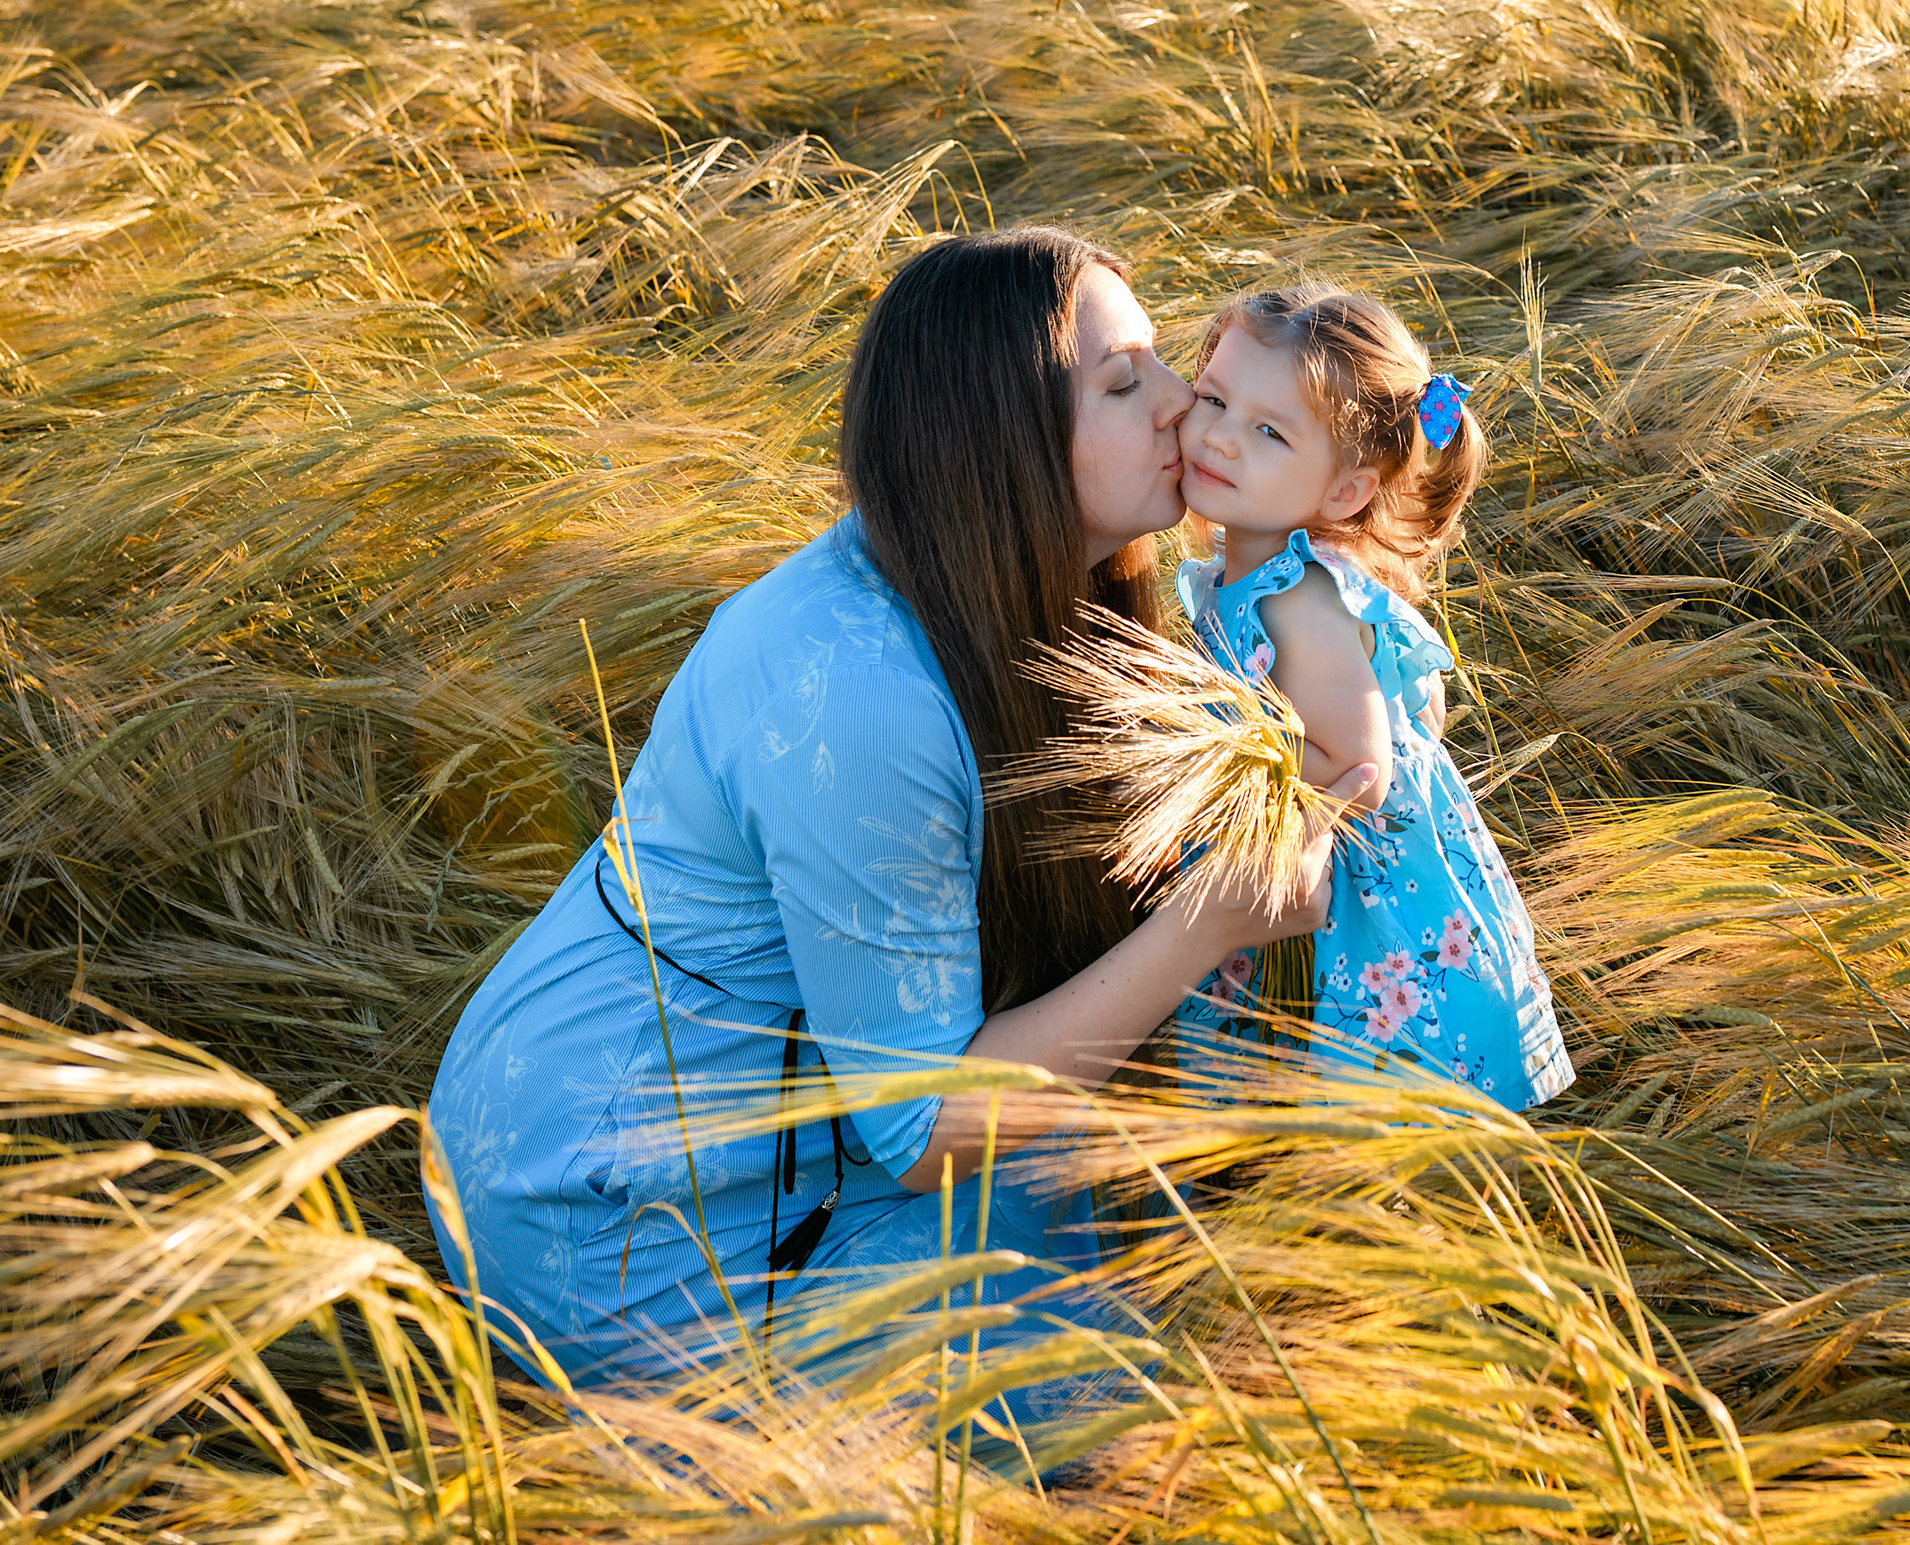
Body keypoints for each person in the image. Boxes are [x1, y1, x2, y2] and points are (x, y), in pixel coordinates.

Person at [423, 229, 1364, 1418]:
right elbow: (922, 1131)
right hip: (614, 1203)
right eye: (1126, 383)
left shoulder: (1017, 589)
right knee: (1130, 1401)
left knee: (1171, 1252)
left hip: (784, 1124)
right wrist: (1206, 924)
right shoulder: (861, 695)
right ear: (998, 441)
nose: (1184, 401)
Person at [1170, 285, 1573, 1109]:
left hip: (1362, 920)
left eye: (1269, 432)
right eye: (1213, 399)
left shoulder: (1295, 598)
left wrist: (1201, 766)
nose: (1219, 436)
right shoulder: (1250, 577)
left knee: (1368, 1118)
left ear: (1345, 491)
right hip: (1304, 883)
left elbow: (1359, 765)